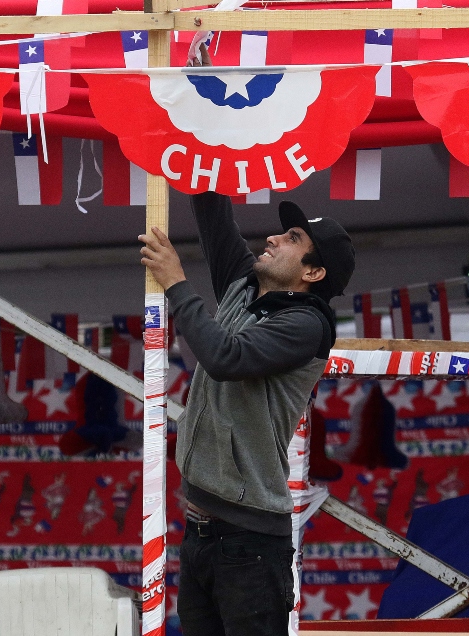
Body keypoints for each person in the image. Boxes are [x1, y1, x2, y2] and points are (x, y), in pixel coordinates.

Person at [139, 192, 355, 635]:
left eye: (293, 238)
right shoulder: (245, 284)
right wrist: (201, 132)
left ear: (313, 272)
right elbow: (211, 207)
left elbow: (225, 358)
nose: (273, 237)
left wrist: (176, 282)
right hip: (202, 531)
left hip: (250, 542)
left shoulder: (307, 324)